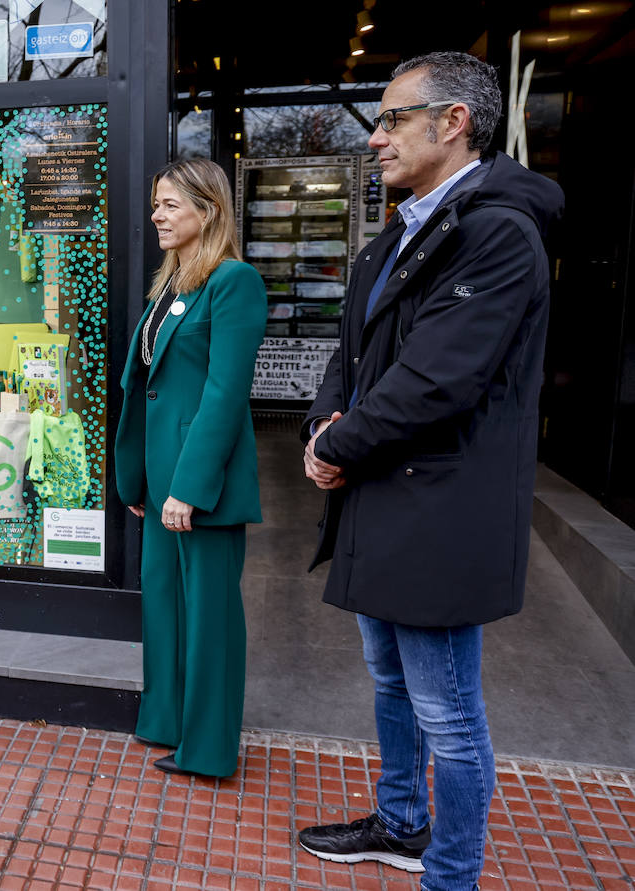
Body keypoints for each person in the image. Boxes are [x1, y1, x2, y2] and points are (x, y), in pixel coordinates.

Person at [296, 52, 563, 891]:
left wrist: (334, 450)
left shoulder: (497, 233)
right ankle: (402, 822)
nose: (376, 138)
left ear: (454, 122)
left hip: (440, 514)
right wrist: (319, 428)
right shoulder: (401, 232)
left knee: (449, 713)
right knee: (391, 682)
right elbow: (350, 360)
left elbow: (436, 381)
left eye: (392, 119)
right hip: (384, 504)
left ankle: (450, 873)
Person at [114, 159, 266, 778]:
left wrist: (189, 489)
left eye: (170, 204)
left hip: (199, 486)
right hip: (157, 479)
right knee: (166, 608)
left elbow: (225, 394)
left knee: (209, 618)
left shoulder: (234, 282)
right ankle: (167, 720)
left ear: (208, 210)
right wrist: (140, 476)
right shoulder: (172, 286)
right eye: (156, 204)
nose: (157, 215)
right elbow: (146, 385)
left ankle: (208, 750)